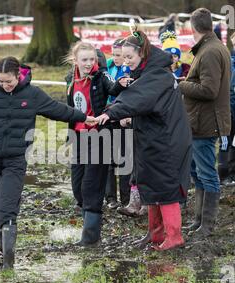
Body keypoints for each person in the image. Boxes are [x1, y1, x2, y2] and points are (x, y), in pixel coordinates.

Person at [0, 56, 95, 269]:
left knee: (6, 210)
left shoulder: (32, 94)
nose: (5, 85)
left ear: (18, 75)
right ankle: (2, 252)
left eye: (8, 81)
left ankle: (8, 263)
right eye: (1, 81)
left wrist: (84, 117)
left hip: (15, 160)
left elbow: (58, 110)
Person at [96, 30, 192, 251]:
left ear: (142, 54)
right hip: (154, 137)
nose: (126, 62)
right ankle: (156, 233)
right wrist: (126, 117)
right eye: (124, 57)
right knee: (152, 184)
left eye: (130, 57)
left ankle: (174, 236)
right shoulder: (148, 72)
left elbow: (139, 98)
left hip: (167, 142)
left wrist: (112, 112)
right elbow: (145, 104)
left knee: (166, 188)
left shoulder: (156, 75)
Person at [179, 8, 231, 238]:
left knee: (207, 173)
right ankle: (198, 220)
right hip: (201, 120)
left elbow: (209, 90)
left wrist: (180, 85)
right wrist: (186, 81)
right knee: (198, 172)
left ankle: (207, 225)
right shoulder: (214, 47)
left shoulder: (209, 51)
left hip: (205, 122)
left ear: (193, 28)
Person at [64, 41, 123, 247]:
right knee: (77, 186)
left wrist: (122, 83)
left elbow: (113, 87)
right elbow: (70, 107)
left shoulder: (102, 76)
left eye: (92, 59)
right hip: (79, 136)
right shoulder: (70, 79)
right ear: (76, 61)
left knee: (91, 186)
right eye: (85, 60)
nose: (89, 64)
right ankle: (89, 221)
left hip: (100, 136)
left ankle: (91, 237)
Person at [105, 38, 132, 209]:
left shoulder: (130, 71)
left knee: (124, 160)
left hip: (124, 119)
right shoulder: (108, 68)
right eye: (114, 54)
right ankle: (110, 198)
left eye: (119, 55)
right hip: (108, 116)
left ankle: (126, 198)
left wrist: (125, 114)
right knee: (108, 160)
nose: (116, 58)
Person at [217, 31, 235, 186]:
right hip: (227, 109)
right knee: (225, 141)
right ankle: (223, 174)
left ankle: (231, 173)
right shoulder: (228, 62)